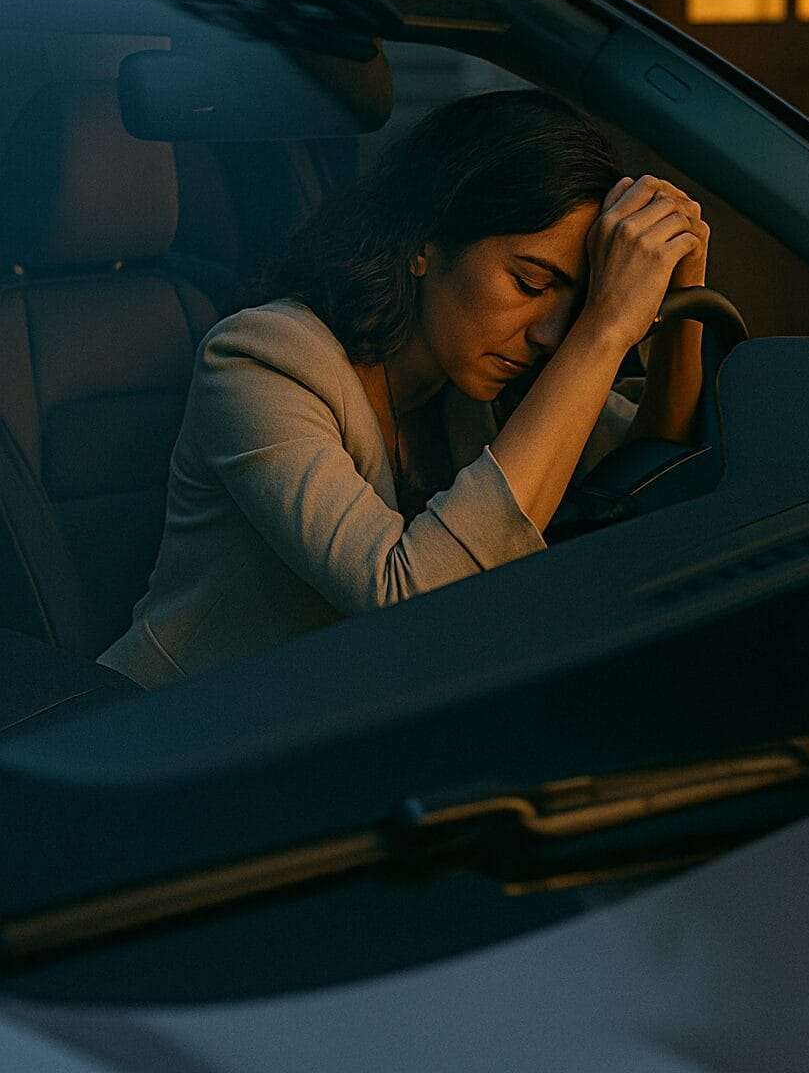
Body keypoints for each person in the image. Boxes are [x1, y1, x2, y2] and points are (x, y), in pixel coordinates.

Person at [98, 90, 709, 688]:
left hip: (357, 726)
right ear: (423, 243)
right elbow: (410, 597)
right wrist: (604, 328)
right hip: (180, 728)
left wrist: (683, 298)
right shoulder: (262, 359)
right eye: (528, 283)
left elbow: (651, 474)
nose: (550, 335)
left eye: (572, 305)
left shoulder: (491, 381)